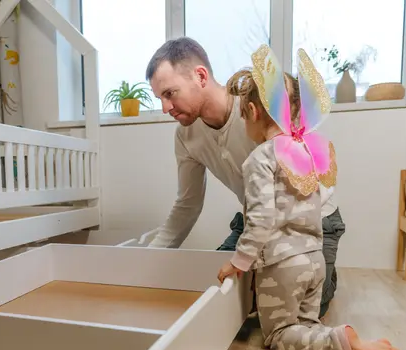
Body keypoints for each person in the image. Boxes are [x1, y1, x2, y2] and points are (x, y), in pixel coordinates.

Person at [214, 47, 406, 350]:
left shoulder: (260, 158)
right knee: (305, 327)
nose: (244, 123)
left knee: (278, 335)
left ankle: (347, 340)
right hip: (315, 260)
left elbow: (260, 219)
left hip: (282, 266)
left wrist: (239, 263)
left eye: (243, 117)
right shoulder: (306, 152)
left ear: (254, 111)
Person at [144, 37, 344, 318]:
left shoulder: (255, 108)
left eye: (170, 94)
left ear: (200, 76)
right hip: (257, 221)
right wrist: (149, 258)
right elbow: (187, 204)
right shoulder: (186, 137)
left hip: (309, 222)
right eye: (160, 99)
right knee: (216, 291)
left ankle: (326, 276)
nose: (166, 108)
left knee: (292, 309)